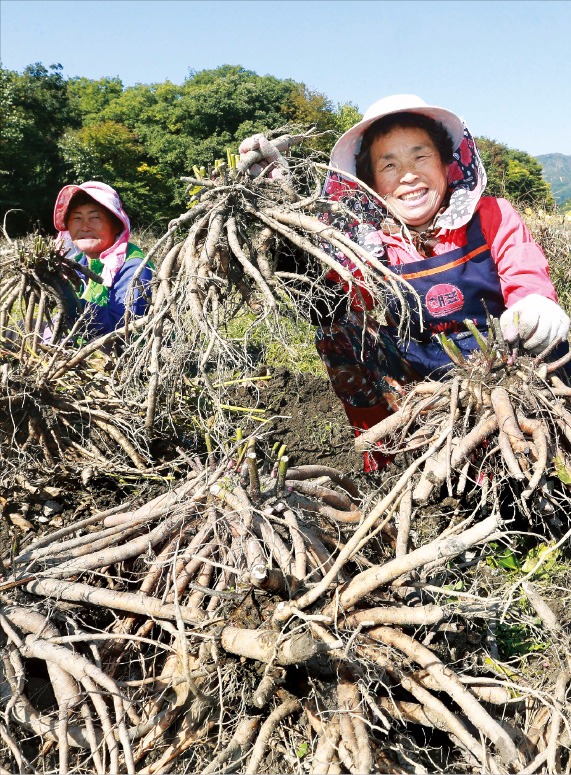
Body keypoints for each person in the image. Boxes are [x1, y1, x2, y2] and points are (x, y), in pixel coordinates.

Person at [241, 95, 570, 471]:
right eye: (389, 165)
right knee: (339, 332)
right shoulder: (369, 246)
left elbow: (527, 279)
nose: (408, 175)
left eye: (420, 157)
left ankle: (548, 446)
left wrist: (535, 307)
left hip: (508, 371)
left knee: (545, 334)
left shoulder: (493, 215)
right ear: (372, 182)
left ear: (446, 165)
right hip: (428, 387)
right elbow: (326, 303)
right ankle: (391, 460)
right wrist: (283, 210)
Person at [52, 180, 153, 340]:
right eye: (77, 218)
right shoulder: (77, 263)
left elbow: (121, 331)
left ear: (117, 225)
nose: (85, 227)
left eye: (95, 218)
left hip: (117, 358)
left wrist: (69, 300)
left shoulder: (133, 267)